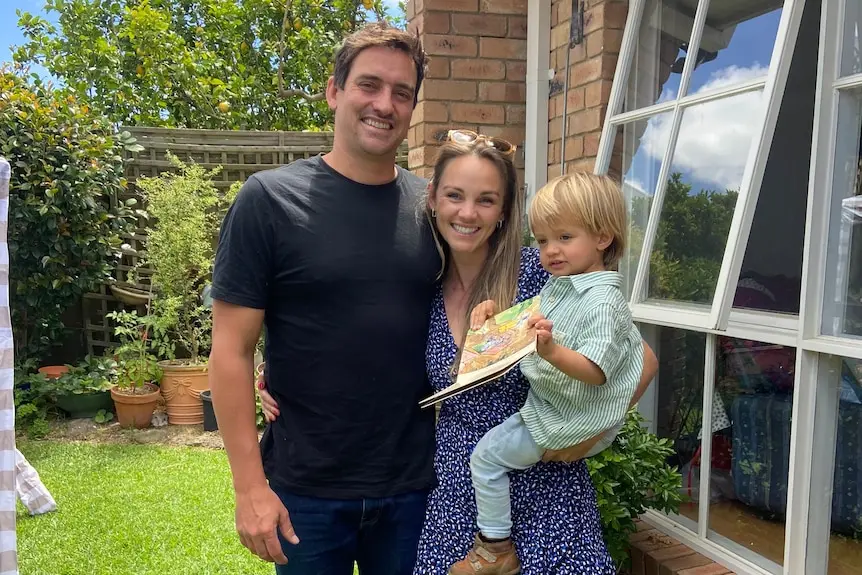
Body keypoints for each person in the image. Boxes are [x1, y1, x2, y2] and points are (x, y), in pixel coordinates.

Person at [257, 131, 660, 575]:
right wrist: (274, 376)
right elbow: (358, 341)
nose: (468, 213)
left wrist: (590, 432)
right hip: (454, 489)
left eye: (486, 200)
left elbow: (640, 359)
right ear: (433, 200)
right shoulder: (420, 283)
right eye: (455, 196)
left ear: (504, 211)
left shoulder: (541, 273)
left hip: (546, 489)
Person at [208, 23, 440, 575]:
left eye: (401, 93)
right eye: (369, 85)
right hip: (305, 491)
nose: (385, 104)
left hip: (415, 486)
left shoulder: (433, 208)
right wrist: (248, 489)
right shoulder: (268, 200)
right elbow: (230, 351)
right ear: (334, 92)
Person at [446, 172, 644, 575]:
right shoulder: (564, 283)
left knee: (485, 458)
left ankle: (495, 547)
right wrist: (493, 315)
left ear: (603, 238)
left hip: (563, 420)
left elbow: (596, 371)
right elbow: (527, 322)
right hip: (555, 408)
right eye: (542, 240)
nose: (550, 251)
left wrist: (551, 351)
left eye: (564, 238)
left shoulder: (602, 302)